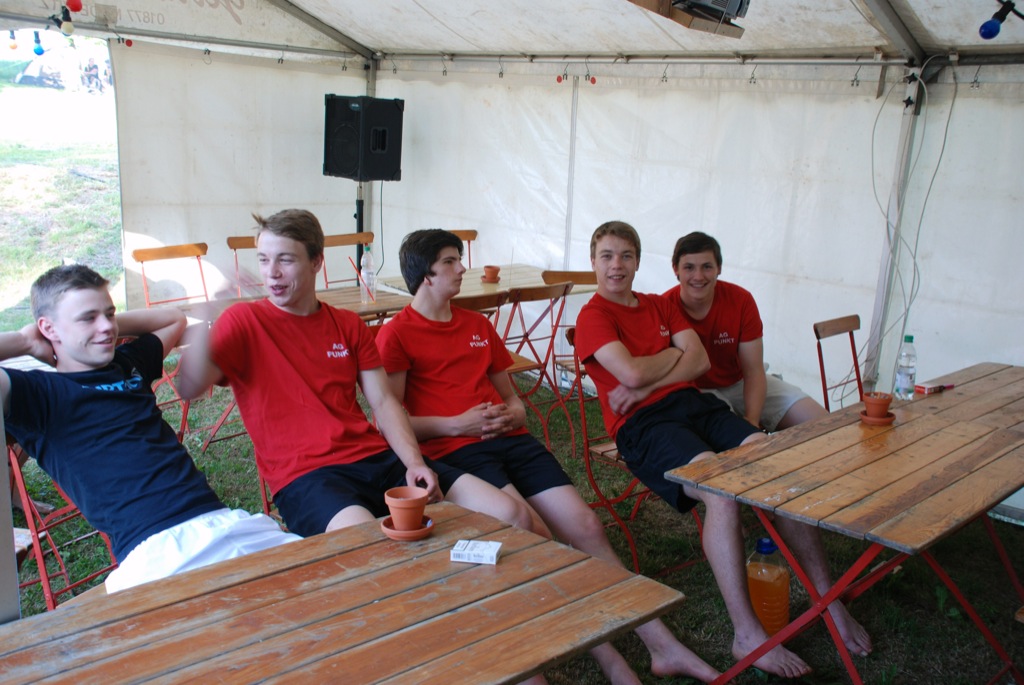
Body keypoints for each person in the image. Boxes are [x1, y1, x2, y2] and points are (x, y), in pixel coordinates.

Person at [375, 229, 720, 685]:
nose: (463, 268)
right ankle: (608, 657)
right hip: (458, 452)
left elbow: (514, 401)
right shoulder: (396, 334)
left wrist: (512, 414)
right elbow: (393, 422)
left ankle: (661, 645)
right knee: (535, 534)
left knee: (588, 526)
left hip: (513, 441)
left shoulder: (477, 325)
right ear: (426, 274)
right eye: (451, 261)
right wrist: (457, 424)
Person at [574, 221, 872, 679]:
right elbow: (630, 374)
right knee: (720, 488)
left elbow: (699, 360)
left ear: (638, 261)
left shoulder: (658, 304)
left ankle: (827, 600)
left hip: (693, 403)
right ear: (593, 262)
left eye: (626, 255)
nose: (617, 265)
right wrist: (669, 358)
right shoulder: (593, 315)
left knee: (772, 460)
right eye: (607, 256)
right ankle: (746, 634)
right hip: (644, 425)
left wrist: (656, 369)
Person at [178, 209, 534, 538]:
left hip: (378, 459)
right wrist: (207, 315)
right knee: (372, 547)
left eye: (285, 259)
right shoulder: (243, 321)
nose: (271, 272)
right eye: (263, 259)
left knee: (511, 514)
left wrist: (414, 463)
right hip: (309, 476)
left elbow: (384, 402)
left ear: (316, 261)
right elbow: (189, 386)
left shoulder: (347, 324)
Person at [0, 265, 300, 594]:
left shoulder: (127, 363)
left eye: (110, 314)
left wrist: (93, 325)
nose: (106, 327)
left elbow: (173, 319)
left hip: (222, 521)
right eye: (88, 318)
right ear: (48, 328)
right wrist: (25, 341)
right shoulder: (36, 394)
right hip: (155, 551)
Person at [664, 231, 828, 431]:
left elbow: (753, 370)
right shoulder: (664, 307)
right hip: (695, 390)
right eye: (689, 267)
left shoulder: (741, 300)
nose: (698, 276)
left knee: (824, 423)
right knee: (735, 435)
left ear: (719, 268)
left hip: (740, 382)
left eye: (707, 266)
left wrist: (752, 418)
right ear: (675, 269)